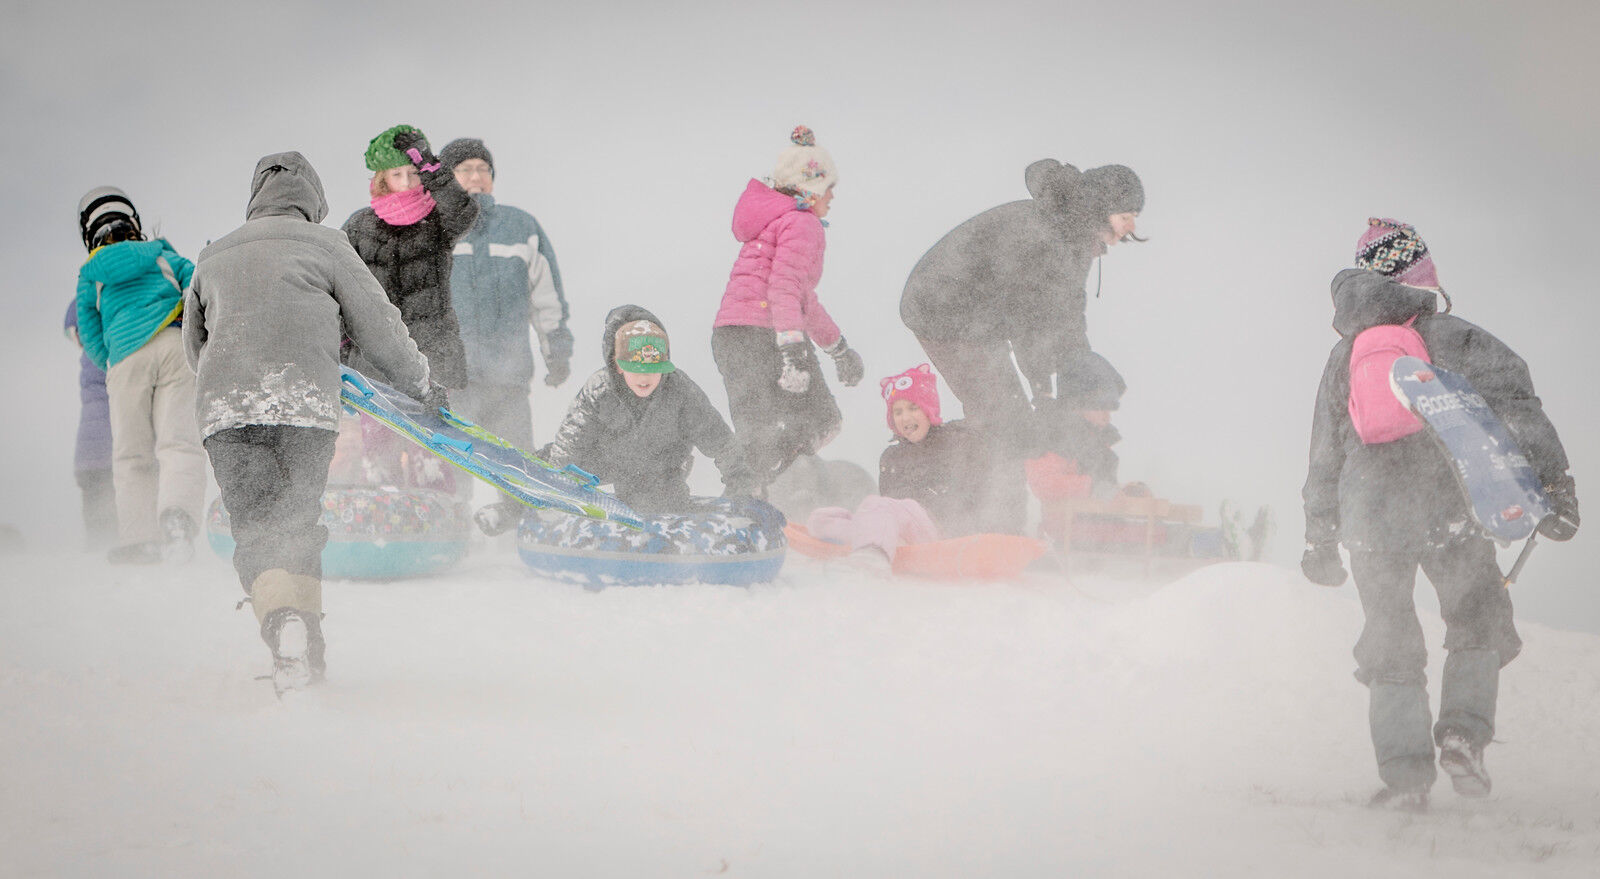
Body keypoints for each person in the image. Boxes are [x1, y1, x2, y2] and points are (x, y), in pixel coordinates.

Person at [1300, 218, 1579, 811]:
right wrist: (1556, 490)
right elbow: (1519, 412)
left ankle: (1405, 779)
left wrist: (1319, 537)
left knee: (1389, 640)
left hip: (1370, 520)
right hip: (1449, 507)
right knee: (1478, 619)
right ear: (1420, 275)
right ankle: (1462, 734)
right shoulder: (1458, 338)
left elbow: (1324, 452)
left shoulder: (1345, 355)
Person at [185, 151, 438, 691]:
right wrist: (419, 384)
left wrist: (230, 381)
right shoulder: (327, 244)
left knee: (257, 528)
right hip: (304, 404)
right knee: (297, 524)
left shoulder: (212, 255)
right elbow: (379, 326)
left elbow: (194, 347)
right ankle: (307, 650)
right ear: (313, 201)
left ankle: (285, 633)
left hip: (229, 410)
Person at [899, 159, 1144, 498]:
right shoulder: (1047, 236)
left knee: (1014, 419)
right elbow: (1029, 319)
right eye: (1125, 215)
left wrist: (1083, 379)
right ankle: (969, 499)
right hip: (943, 310)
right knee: (1004, 417)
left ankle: (995, 501)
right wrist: (1044, 395)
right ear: (1102, 208)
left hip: (983, 316)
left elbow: (1067, 313)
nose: (1130, 226)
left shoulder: (1072, 236)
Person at [711, 126, 864, 490]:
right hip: (765, 335)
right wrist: (793, 351)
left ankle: (748, 492)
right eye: (828, 187)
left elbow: (802, 298)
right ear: (809, 189)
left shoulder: (776, 224)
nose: (833, 196)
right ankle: (756, 489)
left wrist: (838, 348)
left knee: (758, 432)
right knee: (822, 420)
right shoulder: (803, 223)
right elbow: (784, 289)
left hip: (733, 336)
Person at [439, 137, 575, 528]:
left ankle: (520, 529)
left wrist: (557, 352)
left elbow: (546, 298)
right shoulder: (434, 229)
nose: (476, 176)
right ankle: (451, 532)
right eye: (465, 169)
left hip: (508, 377)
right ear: (447, 178)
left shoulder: (521, 227)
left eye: (483, 169)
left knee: (517, 463)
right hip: (452, 376)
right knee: (451, 463)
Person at [74, 186, 207, 564]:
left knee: (132, 453)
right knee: (179, 442)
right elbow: (197, 291)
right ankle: (178, 521)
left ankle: (139, 538)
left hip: (126, 359)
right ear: (134, 223)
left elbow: (89, 331)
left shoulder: (90, 276)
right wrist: (194, 340)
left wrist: (113, 360)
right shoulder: (163, 255)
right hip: (173, 346)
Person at [538, 305, 753, 520]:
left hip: (660, 468)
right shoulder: (600, 389)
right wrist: (558, 482)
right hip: (606, 460)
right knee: (572, 468)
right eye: (636, 370)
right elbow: (573, 437)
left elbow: (718, 438)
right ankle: (541, 469)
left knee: (659, 503)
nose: (644, 379)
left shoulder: (680, 391)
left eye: (653, 370)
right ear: (618, 366)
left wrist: (739, 482)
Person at [807, 364, 1023, 562]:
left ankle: (872, 556)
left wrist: (997, 537)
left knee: (879, 505)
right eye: (898, 412)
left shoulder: (957, 440)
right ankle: (871, 540)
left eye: (913, 408)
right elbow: (890, 503)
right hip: (904, 529)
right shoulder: (891, 457)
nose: (905, 418)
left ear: (929, 409)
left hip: (941, 530)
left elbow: (989, 488)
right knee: (821, 519)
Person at [342, 123, 478, 392]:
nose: (405, 182)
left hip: (434, 357)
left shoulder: (437, 221)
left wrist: (431, 166)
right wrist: (343, 350)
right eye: (397, 174)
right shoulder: (359, 227)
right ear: (383, 178)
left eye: (413, 173)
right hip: (374, 364)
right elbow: (339, 290)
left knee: (437, 421)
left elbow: (463, 212)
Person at [63, 300, 117, 550]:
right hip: (118, 447)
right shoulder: (121, 346)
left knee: (97, 505)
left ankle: (98, 547)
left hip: (91, 455)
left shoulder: (90, 354)